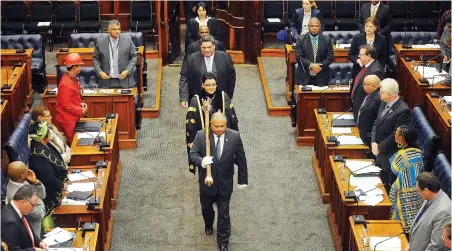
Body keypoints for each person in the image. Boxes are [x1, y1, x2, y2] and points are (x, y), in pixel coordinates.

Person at [189, 112, 248, 251]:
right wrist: (202, 161)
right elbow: (193, 154)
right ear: (211, 125)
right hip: (207, 183)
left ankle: (223, 243)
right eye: (217, 126)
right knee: (207, 209)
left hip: (225, 183)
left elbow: (241, 159)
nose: (220, 129)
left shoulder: (234, 136)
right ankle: (208, 224)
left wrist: (242, 180)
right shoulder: (201, 135)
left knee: (224, 214)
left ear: (226, 125)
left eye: (222, 126)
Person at [186, 72, 239, 173]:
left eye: (213, 84)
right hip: (204, 137)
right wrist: (191, 140)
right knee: (205, 165)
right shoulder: (196, 100)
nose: (211, 87)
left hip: (221, 135)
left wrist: (235, 138)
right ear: (203, 85)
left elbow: (232, 118)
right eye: (208, 85)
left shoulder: (223, 97)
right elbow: (190, 122)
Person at [371, 78, 411, 191]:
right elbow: (376, 123)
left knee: (385, 185)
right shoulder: (384, 102)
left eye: (381, 92)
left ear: (389, 94)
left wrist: (379, 147)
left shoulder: (403, 110)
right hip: (377, 148)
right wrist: (373, 142)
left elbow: (396, 135)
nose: (379, 93)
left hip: (389, 154)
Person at [180, 35, 236, 108]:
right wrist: (184, 98)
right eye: (204, 47)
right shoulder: (191, 59)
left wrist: (228, 96)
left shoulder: (224, 57)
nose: (207, 50)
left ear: (214, 46)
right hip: (198, 98)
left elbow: (231, 77)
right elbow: (184, 77)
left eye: (209, 47)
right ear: (200, 47)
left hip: (219, 98)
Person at [388, 125, 424, 233]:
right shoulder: (419, 152)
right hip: (418, 194)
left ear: (401, 138)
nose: (395, 135)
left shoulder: (402, 156)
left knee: (397, 222)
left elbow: (392, 174)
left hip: (403, 194)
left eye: (397, 133)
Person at [28, 121, 68, 215]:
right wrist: (62, 187)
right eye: (48, 132)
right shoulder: (38, 156)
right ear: (43, 138)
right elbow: (49, 179)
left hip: (59, 182)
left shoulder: (45, 144)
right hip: (51, 192)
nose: (51, 132)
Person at [408, 172, 451, 251]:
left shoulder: (443, 212)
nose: (418, 193)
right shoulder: (431, 196)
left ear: (426, 190)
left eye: (418, 190)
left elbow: (436, 245)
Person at [93, 19, 138, 89]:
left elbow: (134, 56)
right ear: (109, 29)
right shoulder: (100, 42)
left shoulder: (128, 40)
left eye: (119, 29)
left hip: (125, 80)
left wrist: (127, 70)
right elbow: (96, 58)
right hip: (106, 81)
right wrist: (100, 72)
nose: (117, 31)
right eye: (114, 29)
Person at [1, 185, 49, 251]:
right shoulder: (10, 222)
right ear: (23, 202)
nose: (33, 208)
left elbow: (29, 231)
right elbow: (14, 250)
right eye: (33, 205)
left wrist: (39, 242)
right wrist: (34, 250)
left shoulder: (21, 210)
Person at [6, 161, 46, 237]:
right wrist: (41, 202)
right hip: (32, 233)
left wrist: (35, 182)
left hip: (37, 226)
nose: (28, 170)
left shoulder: (20, 181)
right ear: (22, 175)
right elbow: (39, 215)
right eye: (26, 170)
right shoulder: (17, 196)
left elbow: (42, 195)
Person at [56, 53, 88, 145]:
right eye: (80, 65)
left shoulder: (71, 77)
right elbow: (66, 105)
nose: (81, 67)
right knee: (73, 144)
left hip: (72, 117)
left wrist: (80, 104)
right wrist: (80, 110)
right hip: (67, 120)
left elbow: (73, 97)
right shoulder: (65, 84)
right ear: (74, 67)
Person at [295, 17, 334, 87]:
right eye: (312, 26)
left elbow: (330, 57)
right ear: (308, 27)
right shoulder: (301, 39)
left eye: (316, 26)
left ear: (320, 27)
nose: (314, 28)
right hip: (304, 75)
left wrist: (319, 67)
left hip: (322, 75)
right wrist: (311, 65)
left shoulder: (327, 39)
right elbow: (298, 57)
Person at [350, 44, 384, 122]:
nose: (358, 56)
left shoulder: (375, 71)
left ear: (368, 56)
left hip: (364, 111)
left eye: (361, 55)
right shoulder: (367, 66)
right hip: (358, 106)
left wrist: (363, 108)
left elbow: (374, 94)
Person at [357, 75, 381, 148]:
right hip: (363, 133)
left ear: (372, 85)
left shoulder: (378, 98)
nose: (363, 86)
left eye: (364, 84)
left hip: (369, 136)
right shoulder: (369, 95)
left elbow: (377, 119)